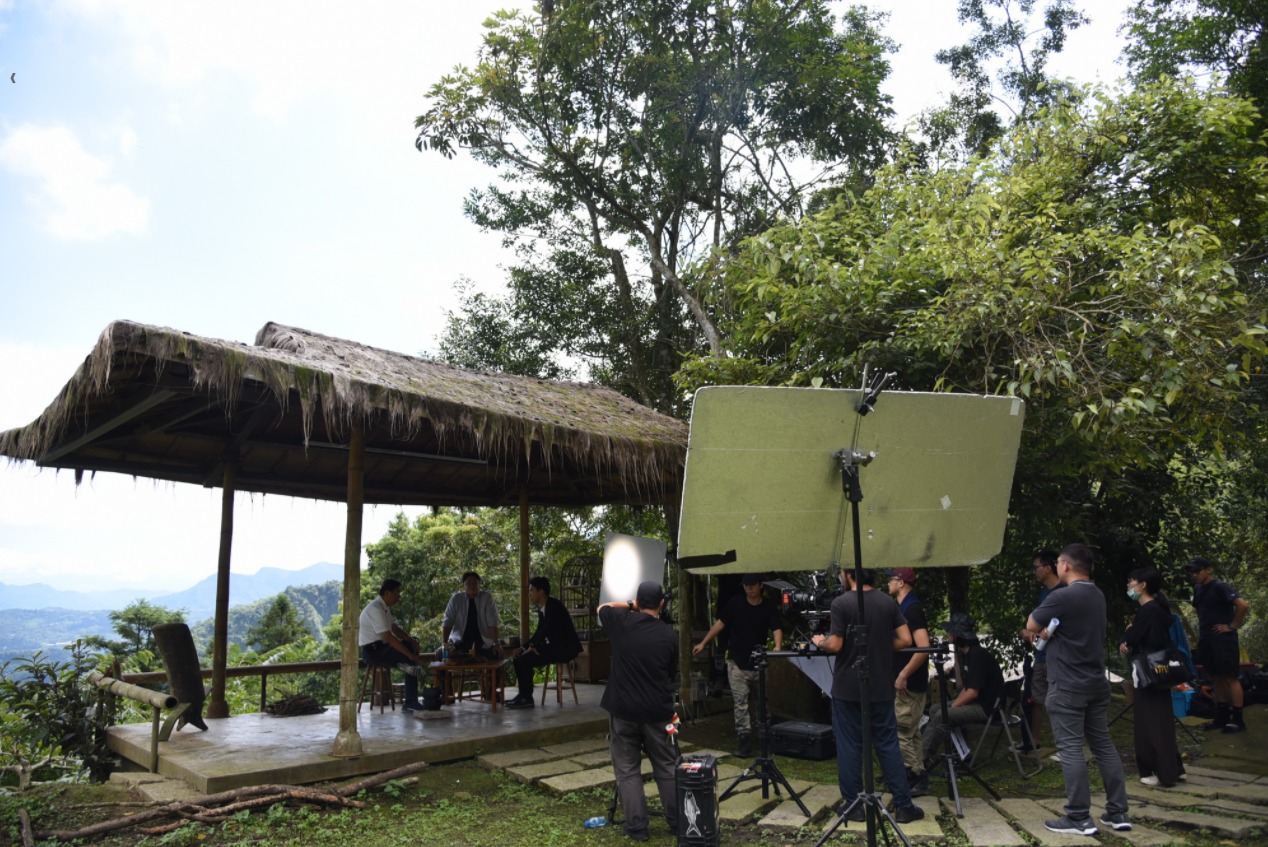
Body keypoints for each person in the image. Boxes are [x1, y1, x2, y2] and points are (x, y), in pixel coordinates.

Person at [1027, 543, 1130, 837]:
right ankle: (1118, 811)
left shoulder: (1063, 596)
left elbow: (1031, 623)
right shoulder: (1097, 594)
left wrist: (1044, 632)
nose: (1057, 567)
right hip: (1096, 683)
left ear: (1066, 566)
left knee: (1071, 749)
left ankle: (1078, 817)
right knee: (1103, 745)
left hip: (1068, 685)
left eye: (1058, 562)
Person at [811, 567, 924, 825]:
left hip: (848, 688)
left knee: (850, 744)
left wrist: (821, 641)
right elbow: (906, 639)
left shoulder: (842, 603)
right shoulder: (886, 601)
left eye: (841, 573)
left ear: (849, 574)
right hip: (881, 686)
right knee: (888, 744)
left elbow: (837, 644)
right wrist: (881, 645)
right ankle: (904, 806)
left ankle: (854, 807)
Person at [598, 581, 679, 842]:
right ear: (662, 604)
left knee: (627, 769)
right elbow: (670, 673)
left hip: (623, 710)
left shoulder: (622, 623)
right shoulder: (669, 636)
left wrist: (630, 606)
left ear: (637, 602)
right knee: (666, 766)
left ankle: (637, 826)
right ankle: (678, 821)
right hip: (657, 711)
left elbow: (602, 607)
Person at [691, 573, 784, 756]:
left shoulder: (768, 607)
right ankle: (745, 741)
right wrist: (704, 643)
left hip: (759, 663)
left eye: (752, 585)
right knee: (740, 703)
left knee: (762, 703)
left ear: (760, 586)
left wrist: (778, 647)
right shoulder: (735, 603)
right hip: (736, 663)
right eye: (746, 586)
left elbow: (777, 628)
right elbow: (720, 624)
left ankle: (766, 739)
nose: (749, 589)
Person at [1118, 567, 1185, 786]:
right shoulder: (1155, 609)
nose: (1128, 585)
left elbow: (1137, 637)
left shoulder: (1149, 611)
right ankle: (1170, 767)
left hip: (1149, 672)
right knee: (1159, 720)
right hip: (1157, 672)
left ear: (1143, 585)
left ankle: (1161, 772)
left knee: (1151, 722)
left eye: (1131, 581)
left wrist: (1129, 633)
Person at [919, 611, 1004, 768]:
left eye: (951, 632)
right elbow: (967, 687)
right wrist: (953, 704)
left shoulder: (977, 655)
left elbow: (973, 692)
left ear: (959, 635)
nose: (948, 635)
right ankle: (961, 752)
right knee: (935, 709)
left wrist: (953, 706)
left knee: (941, 715)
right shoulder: (967, 654)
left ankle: (921, 761)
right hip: (977, 702)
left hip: (987, 707)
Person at [1188, 557, 1251, 733]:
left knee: (1229, 677)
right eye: (1192, 572)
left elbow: (1242, 604)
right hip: (1207, 638)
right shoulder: (1199, 589)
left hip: (1223, 639)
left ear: (1208, 570)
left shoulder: (1220, 587)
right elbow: (1199, 610)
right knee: (1215, 676)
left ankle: (1238, 719)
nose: (1194, 575)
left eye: (1197, 571)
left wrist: (1231, 626)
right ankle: (1222, 715)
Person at [884, 568, 930, 796]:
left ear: (900, 582)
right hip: (909, 682)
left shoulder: (911, 610)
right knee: (912, 732)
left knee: (901, 731)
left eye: (890, 579)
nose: (887, 582)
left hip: (909, 684)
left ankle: (912, 776)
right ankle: (918, 775)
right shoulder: (904, 607)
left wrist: (903, 674)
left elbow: (923, 647)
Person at [507, 576, 582, 709]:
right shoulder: (543, 608)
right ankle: (523, 695)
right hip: (552, 647)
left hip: (564, 649)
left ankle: (527, 698)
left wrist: (533, 646)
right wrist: (523, 647)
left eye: (531, 590)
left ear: (541, 592)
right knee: (519, 657)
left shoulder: (554, 606)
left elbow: (547, 630)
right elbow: (538, 632)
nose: (529, 594)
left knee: (525, 660)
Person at [357, 578, 427, 713]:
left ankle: (407, 666)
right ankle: (411, 702)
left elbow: (394, 628)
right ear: (387, 593)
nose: (399, 597)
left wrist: (411, 641)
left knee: (410, 643)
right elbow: (388, 637)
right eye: (397, 593)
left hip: (383, 649)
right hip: (374, 652)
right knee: (410, 661)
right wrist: (410, 654)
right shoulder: (375, 608)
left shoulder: (384, 608)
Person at [1019, 550, 1060, 751]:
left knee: (1058, 700)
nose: (1034, 572)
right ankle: (1034, 740)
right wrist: (1029, 632)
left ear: (1048, 568)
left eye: (1036, 567)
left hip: (1058, 657)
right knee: (1037, 698)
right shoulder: (1043, 593)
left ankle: (1064, 743)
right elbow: (1037, 622)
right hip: (1041, 654)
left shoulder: (1063, 591)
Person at [441, 571, 503, 660]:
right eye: (468, 583)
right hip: (458, 643)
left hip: (483, 643)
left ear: (479, 585)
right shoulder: (456, 598)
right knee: (442, 655)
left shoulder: (486, 597)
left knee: (497, 654)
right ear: (463, 585)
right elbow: (447, 621)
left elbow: (492, 621)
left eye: (475, 583)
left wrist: (496, 644)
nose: (472, 585)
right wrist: (444, 645)